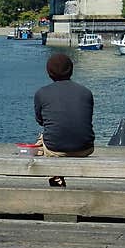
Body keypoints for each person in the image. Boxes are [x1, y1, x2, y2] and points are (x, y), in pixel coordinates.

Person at [33, 52, 94, 186]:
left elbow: (40, 121)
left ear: (49, 72)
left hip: (55, 148)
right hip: (85, 147)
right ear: (71, 70)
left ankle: (56, 176)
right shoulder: (86, 92)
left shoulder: (42, 93)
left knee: (43, 139)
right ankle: (57, 175)